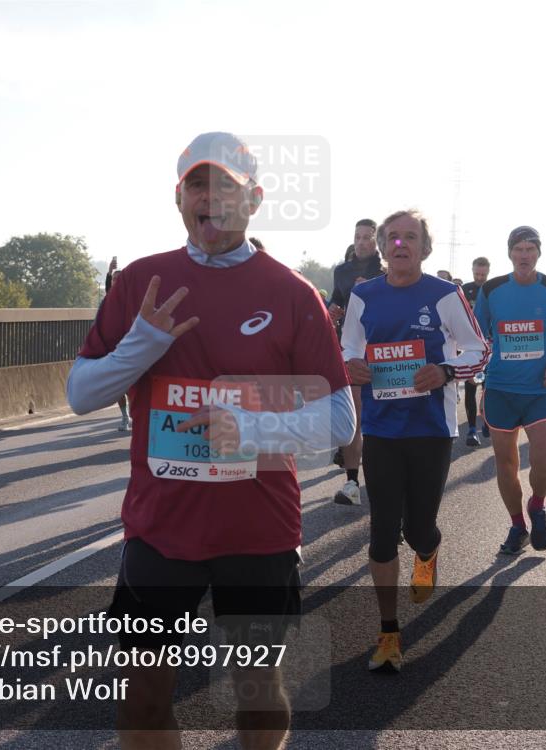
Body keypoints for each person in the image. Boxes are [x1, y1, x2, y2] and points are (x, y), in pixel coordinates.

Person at [66, 131, 354, 749]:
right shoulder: (142, 282)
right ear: (178, 198)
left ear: (254, 198)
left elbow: (340, 420)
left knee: (256, 691)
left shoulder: (291, 292)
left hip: (258, 528)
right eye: (199, 184)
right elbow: (81, 393)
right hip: (160, 528)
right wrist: (142, 343)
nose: (212, 197)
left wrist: (252, 429)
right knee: (142, 697)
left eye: (227, 185)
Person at [341, 209, 488, 672]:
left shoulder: (446, 295)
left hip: (430, 429)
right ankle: (389, 632)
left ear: (425, 248)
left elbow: (479, 351)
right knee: (383, 532)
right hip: (382, 429)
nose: (400, 244)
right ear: (381, 248)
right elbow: (348, 348)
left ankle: (428, 550)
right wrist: (352, 366)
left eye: (410, 237)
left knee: (417, 528)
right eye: (393, 238)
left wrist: (446, 371)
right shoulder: (363, 294)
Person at [474, 227, 546, 554]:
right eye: (518, 249)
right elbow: (475, 336)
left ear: (538, 253)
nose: (524, 255)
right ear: (510, 253)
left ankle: (537, 504)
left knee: (543, 463)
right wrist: (476, 378)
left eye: (530, 249)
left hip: (540, 392)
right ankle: (517, 525)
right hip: (501, 391)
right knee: (505, 465)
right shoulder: (492, 290)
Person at [328, 219, 384, 506]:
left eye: (367, 237)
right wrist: (333, 310)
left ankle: (383, 484)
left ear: (376, 242)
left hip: (382, 351)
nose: (362, 242)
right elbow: (335, 301)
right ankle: (351, 482)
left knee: (378, 421)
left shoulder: (385, 271)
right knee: (356, 417)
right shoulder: (342, 271)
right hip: (351, 350)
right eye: (358, 237)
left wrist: (373, 290)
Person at [461, 257, 492, 446]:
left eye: (483, 274)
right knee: (471, 385)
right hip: (470, 345)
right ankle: (472, 429)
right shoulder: (464, 290)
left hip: (491, 346)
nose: (480, 277)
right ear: (472, 271)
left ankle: (487, 420)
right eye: (477, 274)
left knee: (488, 387)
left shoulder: (494, 289)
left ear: (488, 272)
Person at [102, 257, 133, 432]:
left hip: (130, 347)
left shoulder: (132, 296)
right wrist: (109, 272)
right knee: (119, 386)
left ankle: (135, 413)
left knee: (131, 386)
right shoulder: (111, 299)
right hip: (113, 347)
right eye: (114, 279)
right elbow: (109, 291)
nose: (116, 282)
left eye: (118, 279)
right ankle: (124, 416)